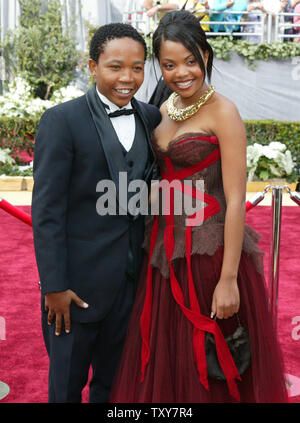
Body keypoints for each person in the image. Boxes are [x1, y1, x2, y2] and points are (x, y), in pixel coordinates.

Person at [110, 10, 289, 403]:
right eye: (170, 64)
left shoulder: (223, 111)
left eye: (191, 61)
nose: (181, 72)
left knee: (211, 364)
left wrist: (228, 280)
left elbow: (237, 198)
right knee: (165, 361)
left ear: (206, 56)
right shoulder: (164, 107)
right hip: (163, 250)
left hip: (211, 254)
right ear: (159, 65)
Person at [31, 23, 161, 403]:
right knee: (67, 388)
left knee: (115, 386)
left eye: (137, 68)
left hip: (132, 284)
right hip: (75, 291)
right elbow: (47, 212)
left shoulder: (151, 117)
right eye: (116, 67)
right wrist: (53, 286)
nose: (128, 78)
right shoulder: (62, 120)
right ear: (92, 66)